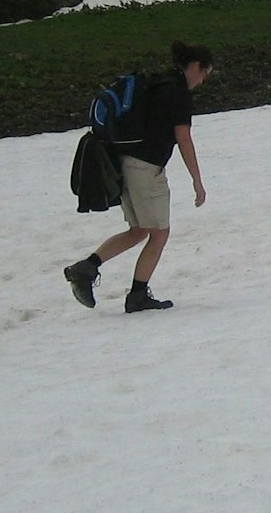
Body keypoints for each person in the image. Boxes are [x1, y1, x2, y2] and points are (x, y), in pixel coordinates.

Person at [64, 42, 212, 312]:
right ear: (195, 66)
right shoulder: (177, 94)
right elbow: (183, 138)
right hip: (145, 168)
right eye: (205, 74)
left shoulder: (155, 83)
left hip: (125, 162)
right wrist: (197, 181)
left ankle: (86, 268)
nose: (203, 81)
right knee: (159, 233)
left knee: (140, 230)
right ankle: (137, 296)